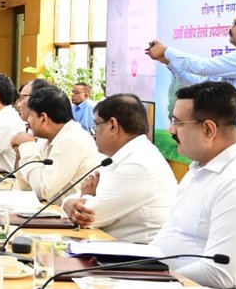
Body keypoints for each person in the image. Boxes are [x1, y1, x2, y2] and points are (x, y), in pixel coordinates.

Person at [149, 81, 236, 289]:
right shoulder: (201, 169)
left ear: (208, 129)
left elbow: (219, 273)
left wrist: (150, 278)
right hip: (171, 287)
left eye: (178, 123)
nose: (171, 130)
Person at [146, 7, 236, 143]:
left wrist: (166, 51)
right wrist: (168, 61)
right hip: (233, 142)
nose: (230, 28)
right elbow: (201, 82)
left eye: (235, 24)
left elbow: (202, 66)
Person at [63, 94, 176, 243]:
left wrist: (84, 197)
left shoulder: (139, 165)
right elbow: (73, 201)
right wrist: (69, 203)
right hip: (111, 248)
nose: (94, 133)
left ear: (113, 125)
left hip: (136, 254)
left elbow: (88, 217)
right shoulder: (124, 156)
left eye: (96, 125)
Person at [16, 84, 102, 200]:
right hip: (49, 208)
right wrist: (21, 153)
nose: (28, 120)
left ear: (43, 118)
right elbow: (27, 188)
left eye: (31, 115)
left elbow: (43, 190)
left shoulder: (71, 139)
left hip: (66, 210)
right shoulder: (48, 138)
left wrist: (27, 146)